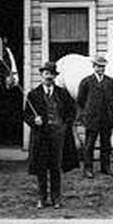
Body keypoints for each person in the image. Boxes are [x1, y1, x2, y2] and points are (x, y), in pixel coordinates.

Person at [24, 61, 77, 208]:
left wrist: (65, 125)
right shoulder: (33, 95)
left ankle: (56, 198)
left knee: (55, 167)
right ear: (41, 75)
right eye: (46, 73)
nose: (49, 76)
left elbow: (72, 112)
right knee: (41, 167)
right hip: (41, 136)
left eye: (51, 74)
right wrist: (34, 120)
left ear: (55, 76)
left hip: (58, 136)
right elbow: (26, 115)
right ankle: (42, 198)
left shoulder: (62, 93)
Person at [76, 54, 113, 177]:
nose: (101, 69)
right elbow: (81, 100)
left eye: (103, 67)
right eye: (98, 67)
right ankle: (88, 169)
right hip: (92, 118)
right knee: (89, 144)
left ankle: (106, 167)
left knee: (106, 145)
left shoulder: (110, 82)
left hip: (106, 118)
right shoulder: (86, 81)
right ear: (93, 67)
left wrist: (110, 112)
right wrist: (87, 113)